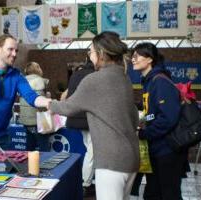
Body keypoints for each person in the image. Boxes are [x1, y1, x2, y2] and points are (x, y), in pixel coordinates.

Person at [48, 31, 139, 200]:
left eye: (91, 51)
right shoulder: (124, 78)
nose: (89, 55)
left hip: (111, 161)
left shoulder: (95, 80)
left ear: (101, 54)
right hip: (131, 158)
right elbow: (134, 119)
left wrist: (49, 104)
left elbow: (68, 107)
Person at [132, 42, 187, 200]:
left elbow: (168, 118)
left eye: (137, 56)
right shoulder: (149, 81)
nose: (133, 59)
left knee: (169, 194)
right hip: (157, 148)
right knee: (153, 193)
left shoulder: (160, 81)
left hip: (168, 150)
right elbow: (154, 113)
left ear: (149, 59)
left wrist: (144, 133)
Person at [61, 58, 95, 196]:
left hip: (75, 118)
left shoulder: (75, 75)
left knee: (89, 148)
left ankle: (87, 181)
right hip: (88, 118)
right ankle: (85, 184)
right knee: (92, 152)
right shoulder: (94, 75)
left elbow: (67, 96)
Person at [18, 62, 51, 152]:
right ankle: (45, 165)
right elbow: (42, 102)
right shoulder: (40, 81)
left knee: (29, 148)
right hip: (39, 120)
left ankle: (29, 165)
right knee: (44, 147)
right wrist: (48, 96)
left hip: (26, 120)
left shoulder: (22, 81)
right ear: (38, 69)